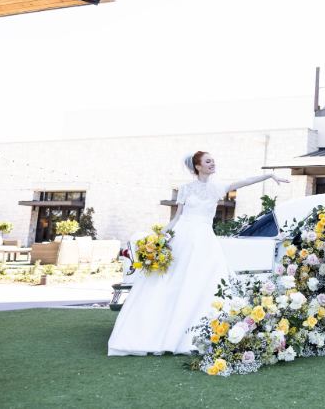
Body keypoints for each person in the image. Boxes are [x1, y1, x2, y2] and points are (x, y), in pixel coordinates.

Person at [108, 151, 289, 356]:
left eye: (214, 160)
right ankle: (153, 335)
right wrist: (161, 237)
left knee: (203, 282)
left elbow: (246, 181)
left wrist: (269, 176)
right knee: (169, 284)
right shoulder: (185, 189)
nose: (213, 164)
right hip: (182, 238)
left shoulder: (218, 187)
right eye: (208, 161)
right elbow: (177, 217)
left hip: (204, 239)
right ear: (197, 166)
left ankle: (196, 336)